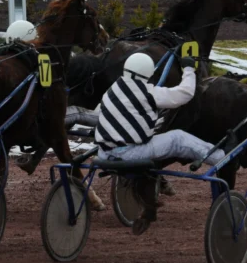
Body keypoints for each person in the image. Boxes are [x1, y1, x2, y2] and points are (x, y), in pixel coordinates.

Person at [95, 52, 226, 235]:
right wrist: (189, 68)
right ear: (148, 72)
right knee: (178, 137)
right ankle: (223, 156)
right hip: (130, 154)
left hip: (103, 153)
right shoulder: (148, 92)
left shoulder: (113, 89)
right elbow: (185, 94)